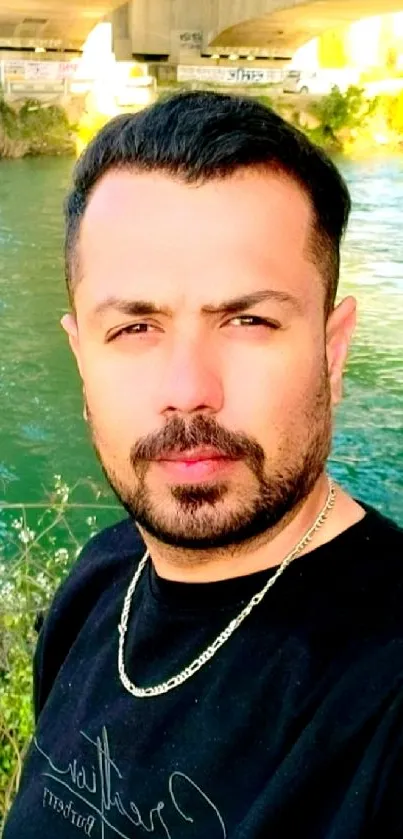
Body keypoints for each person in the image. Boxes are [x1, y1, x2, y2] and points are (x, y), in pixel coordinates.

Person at [4, 91, 403, 839]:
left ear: (333, 346)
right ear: (81, 357)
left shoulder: (382, 693)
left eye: (248, 320)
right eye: (134, 327)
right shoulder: (101, 577)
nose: (189, 390)